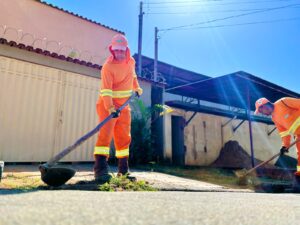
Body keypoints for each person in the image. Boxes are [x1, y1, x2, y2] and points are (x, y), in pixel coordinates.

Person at [93, 34, 143, 182]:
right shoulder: (108, 67)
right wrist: (110, 107)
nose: (119, 53)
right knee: (105, 135)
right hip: (107, 105)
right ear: (112, 50)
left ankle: (123, 170)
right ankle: (100, 169)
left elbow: (132, 76)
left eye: (122, 50)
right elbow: (106, 90)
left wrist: (137, 88)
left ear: (126, 49)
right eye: (116, 50)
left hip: (124, 106)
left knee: (124, 137)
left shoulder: (131, 61)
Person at [255, 97, 300, 176]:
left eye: (261, 111)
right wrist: (285, 146)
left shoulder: (284, 102)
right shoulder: (274, 118)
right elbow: (284, 133)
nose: (263, 113)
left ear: (264, 105)